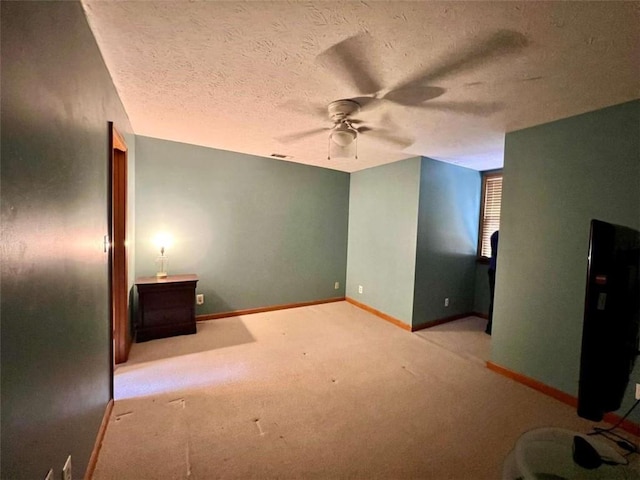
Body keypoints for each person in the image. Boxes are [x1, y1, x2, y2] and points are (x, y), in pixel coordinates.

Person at [486, 230, 499, 335]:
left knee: (494, 299)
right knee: (495, 300)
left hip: (493, 270)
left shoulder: (495, 235)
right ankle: (490, 327)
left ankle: (490, 327)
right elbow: (497, 253)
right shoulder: (497, 236)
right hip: (495, 271)